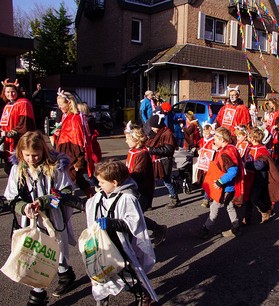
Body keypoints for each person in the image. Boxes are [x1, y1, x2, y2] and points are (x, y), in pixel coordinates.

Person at [4, 131, 77, 304]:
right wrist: (24, 207)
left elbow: (66, 191)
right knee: (36, 253)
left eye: (35, 155)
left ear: (43, 151)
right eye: (27, 155)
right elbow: (11, 198)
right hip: (31, 220)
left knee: (56, 248)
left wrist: (46, 201)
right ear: (20, 153)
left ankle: (65, 273)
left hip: (53, 217)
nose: (31, 159)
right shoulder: (18, 169)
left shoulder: (55, 167)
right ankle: (38, 295)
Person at [85, 160, 157, 306]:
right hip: (102, 245)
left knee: (125, 275)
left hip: (120, 246)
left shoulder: (128, 198)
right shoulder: (102, 195)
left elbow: (134, 223)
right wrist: (66, 200)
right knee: (99, 278)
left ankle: (142, 295)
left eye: (102, 182)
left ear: (115, 182)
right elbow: (86, 206)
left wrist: (113, 223)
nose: (99, 185)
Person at [124, 121, 167, 246]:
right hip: (132, 189)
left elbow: (137, 174)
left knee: (135, 216)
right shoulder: (132, 151)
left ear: (136, 140)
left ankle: (158, 230)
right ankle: (156, 229)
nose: (126, 141)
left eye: (128, 138)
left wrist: (123, 180)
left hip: (142, 191)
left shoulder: (142, 154)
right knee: (134, 216)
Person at [199, 127, 245, 239]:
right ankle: (236, 227)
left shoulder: (226, 153)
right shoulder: (230, 148)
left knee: (214, 207)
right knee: (229, 207)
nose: (214, 141)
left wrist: (220, 181)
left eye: (216, 139)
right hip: (228, 187)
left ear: (223, 140)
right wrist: (216, 149)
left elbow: (233, 170)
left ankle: (206, 228)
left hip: (225, 187)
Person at [243, 127, 279, 224]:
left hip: (258, 178)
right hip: (248, 176)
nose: (247, 137)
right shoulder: (248, 147)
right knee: (247, 198)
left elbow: (260, 165)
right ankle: (247, 217)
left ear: (254, 138)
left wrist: (246, 164)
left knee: (255, 198)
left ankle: (265, 211)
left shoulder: (262, 150)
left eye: (249, 136)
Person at [54, 89, 94, 198]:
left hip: (72, 153)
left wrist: (79, 160)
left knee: (71, 178)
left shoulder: (75, 119)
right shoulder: (66, 116)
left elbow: (79, 139)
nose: (59, 107)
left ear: (69, 103)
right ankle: (91, 198)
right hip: (65, 150)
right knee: (76, 179)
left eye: (61, 104)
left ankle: (66, 201)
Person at [0, 78, 36, 174]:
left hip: (19, 142)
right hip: (8, 143)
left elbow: (25, 125)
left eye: (13, 92)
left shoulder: (23, 103)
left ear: (17, 91)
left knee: (20, 170)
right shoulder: (8, 104)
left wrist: (9, 133)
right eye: (7, 92)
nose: (10, 94)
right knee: (9, 169)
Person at [145, 112, 181, 208]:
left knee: (167, 181)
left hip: (164, 161)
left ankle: (175, 199)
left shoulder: (167, 134)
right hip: (153, 160)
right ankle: (148, 204)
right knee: (151, 182)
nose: (152, 129)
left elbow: (168, 150)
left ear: (159, 125)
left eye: (154, 127)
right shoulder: (154, 133)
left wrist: (151, 150)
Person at [196, 123, 215, 208]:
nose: (205, 135)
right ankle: (209, 195)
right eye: (204, 133)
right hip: (202, 164)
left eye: (207, 134)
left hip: (210, 165)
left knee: (208, 180)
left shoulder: (213, 141)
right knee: (203, 180)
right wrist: (199, 151)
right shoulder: (202, 140)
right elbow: (199, 147)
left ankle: (206, 199)